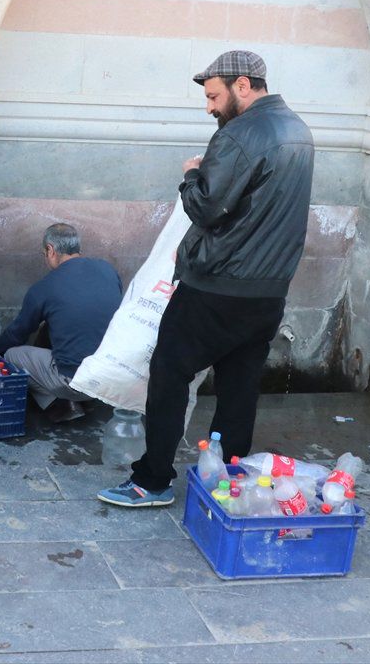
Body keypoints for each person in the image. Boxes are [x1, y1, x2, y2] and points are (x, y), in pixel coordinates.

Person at [99, 50, 314, 507]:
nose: (210, 107)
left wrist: (191, 175)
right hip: (268, 290)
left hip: (219, 285)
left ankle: (152, 480)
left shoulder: (240, 134)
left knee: (169, 372)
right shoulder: (298, 129)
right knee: (239, 384)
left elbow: (206, 206)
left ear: (243, 85)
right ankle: (230, 478)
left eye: (214, 96)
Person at [0, 223, 122, 423]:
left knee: (11, 354)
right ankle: (87, 401)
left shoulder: (46, 286)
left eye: (44, 254)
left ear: (50, 250)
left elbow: (18, 333)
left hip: (75, 380)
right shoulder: (107, 270)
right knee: (51, 327)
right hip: (113, 376)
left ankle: (60, 404)